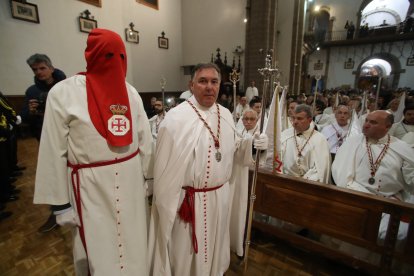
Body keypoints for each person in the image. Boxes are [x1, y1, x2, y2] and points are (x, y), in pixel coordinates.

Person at [33, 29, 154, 275]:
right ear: (92, 56)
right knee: (99, 247)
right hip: (90, 187)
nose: (115, 63)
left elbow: (145, 139)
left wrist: (149, 177)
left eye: (121, 56)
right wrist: (61, 205)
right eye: (108, 55)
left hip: (131, 184)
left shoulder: (131, 93)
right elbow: (52, 149)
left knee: (134, 242)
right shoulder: (63, 92)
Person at [148, 63, 268, 276]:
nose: (209, 87)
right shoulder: (176, 118)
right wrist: (167, 207)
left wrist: (253, 143)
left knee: (214, 249)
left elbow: (234, 149)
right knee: (183, 255)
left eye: (214, 82)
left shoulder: (225, 114)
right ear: (191, 85)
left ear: (220, 85)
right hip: (187, 203)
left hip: (218, 199)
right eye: (203, 81)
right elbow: (164, 169)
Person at [331, 110, 414, 266]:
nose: (367, 124)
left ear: (388, 127)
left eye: (373, 122)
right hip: (356, 197)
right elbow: (340, 174)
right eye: (366, 120)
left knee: (397, 236)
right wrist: (370, 199)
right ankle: (349, 263)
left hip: (390, 202)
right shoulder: (353, 142)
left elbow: (410, 180)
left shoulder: (401, 147)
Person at [20, 53, 66, 233]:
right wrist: (31, 112)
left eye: (42, 68)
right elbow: (24, 117)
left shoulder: (65, 86)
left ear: (51, 68)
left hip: (66, 136)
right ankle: (57, 211)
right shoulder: (32, 91)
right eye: (34, 70)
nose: (39, 72)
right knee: (53, 175)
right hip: (44, 137)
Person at [280, 104, 331, 183]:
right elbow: (277, 158)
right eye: (294, 118)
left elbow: (320, 169)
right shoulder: (285, 135)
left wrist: (304, 181)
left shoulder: (320, 139)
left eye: (300, 118)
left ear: (310, 120)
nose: (295, 122)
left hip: (308, 183)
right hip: (284, 180)